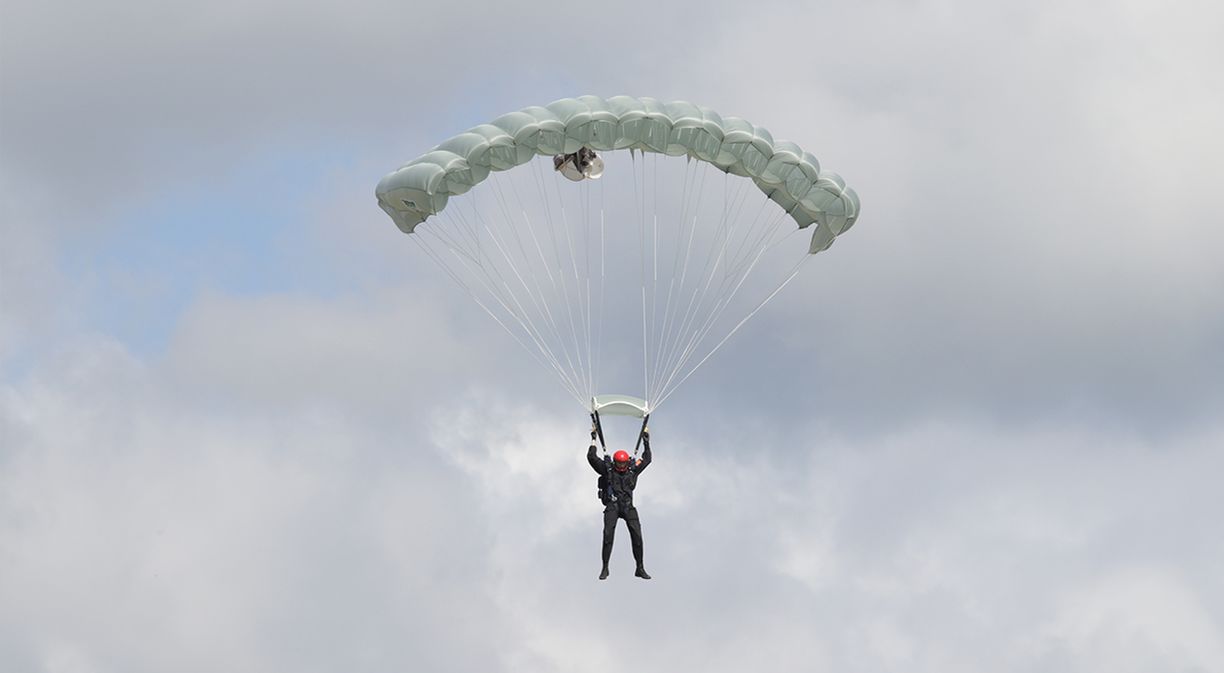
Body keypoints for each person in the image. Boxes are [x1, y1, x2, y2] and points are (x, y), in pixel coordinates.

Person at [587, 424, 652, 580]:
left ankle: (640, 568)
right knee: (608, 534)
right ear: (615, 463)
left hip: (628, 507)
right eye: (619, 464)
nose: (622, 466)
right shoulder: (607, 469)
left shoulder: (632, 470)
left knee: (637, 536)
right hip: (613, 506)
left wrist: (646, 442)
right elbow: (591, 458)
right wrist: (593, 440)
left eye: (624, 464)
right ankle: (605, 568)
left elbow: (648, 459)